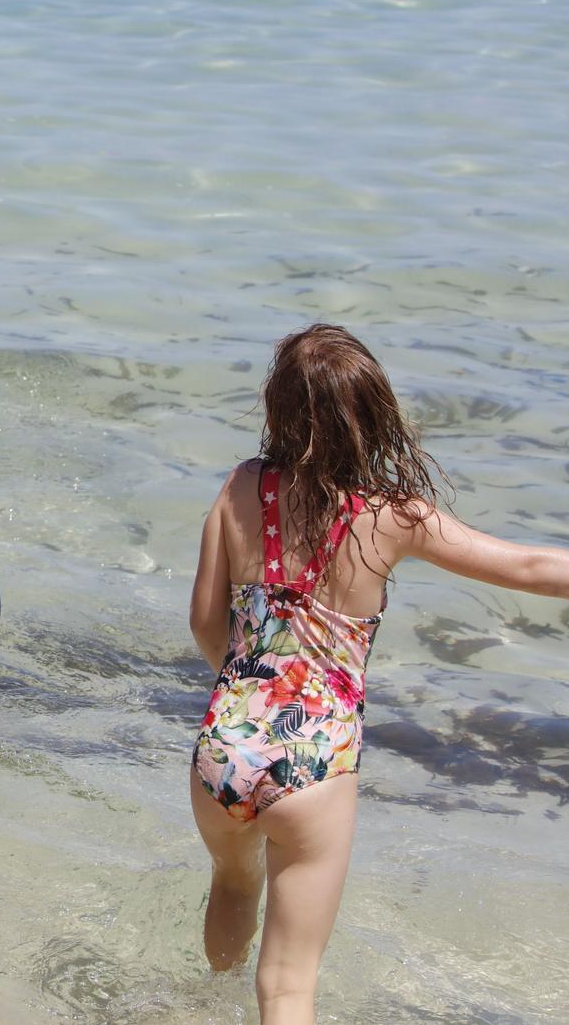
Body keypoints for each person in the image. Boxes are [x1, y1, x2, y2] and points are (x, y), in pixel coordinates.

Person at [188, 324, 569, 1024]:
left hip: (224, 743)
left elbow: (203, 620)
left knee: (235, 886)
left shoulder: (242, 486)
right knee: (288, 985)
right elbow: (525, 566)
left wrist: (248, 688)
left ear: (278, 406)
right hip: (315, 761)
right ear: (373, 414)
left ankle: (204, 1006)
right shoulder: (393, 516)